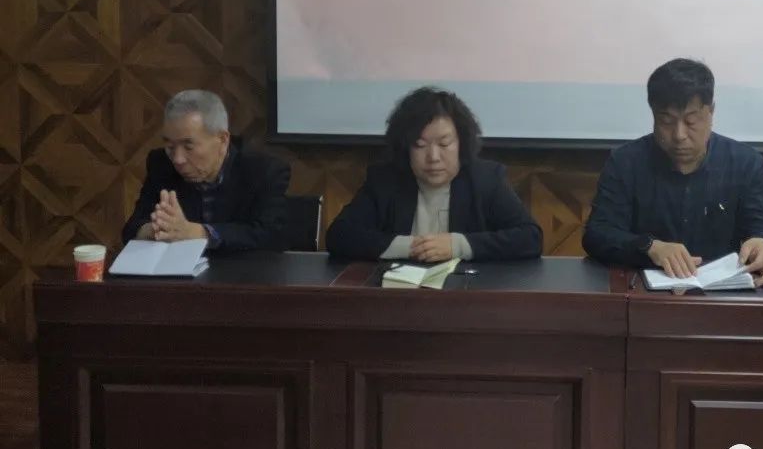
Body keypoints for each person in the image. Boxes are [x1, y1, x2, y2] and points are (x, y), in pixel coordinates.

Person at [582, 58, 763, 285]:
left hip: (723, 295)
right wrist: (649, 246)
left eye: (691, 121)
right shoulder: (625, 162)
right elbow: (597, 234)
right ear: (653, 114)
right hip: (643, 294)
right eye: (666, 121)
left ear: (711, 112)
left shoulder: (745, 163)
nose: (679, 135)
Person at [326, 87, 542, 261]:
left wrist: (457, 245)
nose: (433, 157)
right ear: (406, 148)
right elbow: (339, 236)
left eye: (444, 144)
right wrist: (412, 247)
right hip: (399, 292)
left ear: (461, 143)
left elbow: (530, 238)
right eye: (420, 145)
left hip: (467, 293)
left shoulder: (486, 179)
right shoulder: (385, 180)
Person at [121, 90, 290, 251]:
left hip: (242, 269)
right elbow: (131, 229)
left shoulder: (264, 171)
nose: (178, 159)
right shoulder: (161, 163)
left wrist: (200, 232)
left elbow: (270, 236)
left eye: (189, 147)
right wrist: (155, 229)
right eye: (170, 146)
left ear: (222, 139)